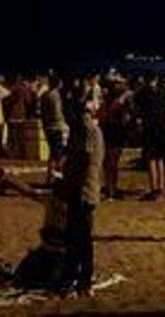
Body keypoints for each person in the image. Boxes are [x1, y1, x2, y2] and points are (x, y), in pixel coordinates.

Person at [57, 96, 104, 296]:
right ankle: (80, 280)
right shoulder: (83, 129)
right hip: (81, 189)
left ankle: (78, 280)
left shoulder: (86, 130)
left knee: (79, 240)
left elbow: (84, 161)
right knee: (79, 239)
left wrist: (69, 183)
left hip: (83, 191)